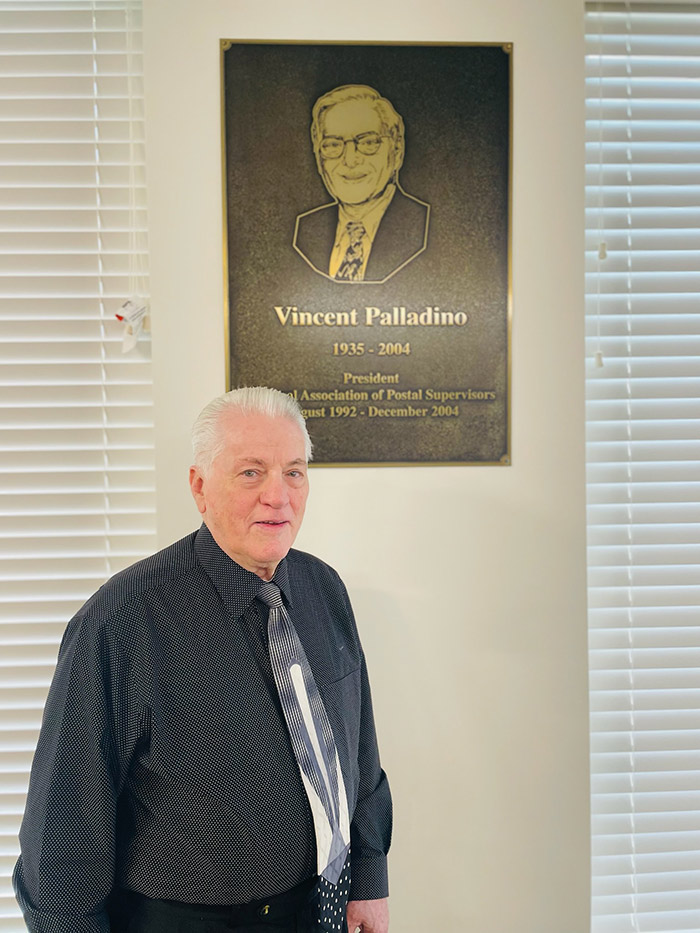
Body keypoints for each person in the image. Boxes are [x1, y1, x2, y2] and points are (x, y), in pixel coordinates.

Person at [14, 386, 391, 933]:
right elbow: (64, 828)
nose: (278, 496)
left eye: (294, 472)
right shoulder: (121, 621)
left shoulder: (322, 589)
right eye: (250, 473)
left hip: (317, 910)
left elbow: (355, 750)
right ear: (199, 486)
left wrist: (368, 877)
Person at [293, 84, 430, 284]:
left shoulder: (427, 226)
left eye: (367, 142)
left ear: (397, 150)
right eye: (332, 145)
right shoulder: (303, 232)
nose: (349, 160)